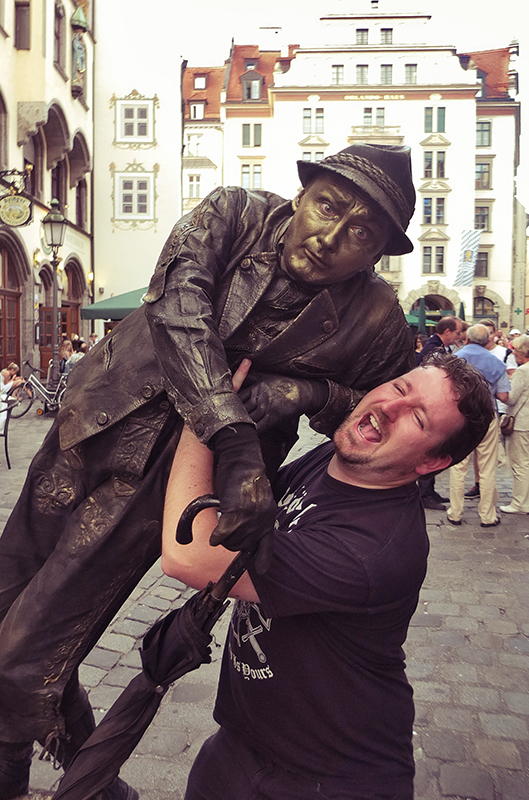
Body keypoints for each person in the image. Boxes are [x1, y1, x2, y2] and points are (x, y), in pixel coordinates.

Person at [0, 143, 416, 800]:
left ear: (379, 253)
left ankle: (70, 784)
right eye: (327, 207)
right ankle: (91, 783)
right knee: (17, 626)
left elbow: (379, 406)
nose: (329, 237)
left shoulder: (376, 318)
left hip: (166, 487)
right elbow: (178, 309)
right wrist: (237, 434)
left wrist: (304, 393)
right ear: (302, 194)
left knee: (22, 656)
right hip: (93, 425)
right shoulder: (232, 213)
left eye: (361, 233)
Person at [161, 354, 494, 800]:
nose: (389, 408)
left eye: (417, 418)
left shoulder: (376, 549)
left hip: (333, 777)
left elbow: (188, 555)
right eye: (400, 388)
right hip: (239, 746)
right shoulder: (337, 459)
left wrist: (206, 413)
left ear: (432, 462)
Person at [446, 324, 510, 527]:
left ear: (467, 339)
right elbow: (503, 396)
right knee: (487, 467)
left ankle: (455, 513)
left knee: (458, 465)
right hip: (486, 414)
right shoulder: (496, 362)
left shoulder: (454, 360)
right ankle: (487, 515)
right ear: (487, 340)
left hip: (460, 415)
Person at [415, 316, 463, 509]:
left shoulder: (438, 346)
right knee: (430, 449)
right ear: (447, 331)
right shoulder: (433, 349)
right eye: (457, 332)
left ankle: (429, 491)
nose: (459, 336)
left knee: (435, 449)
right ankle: (425, 495)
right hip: (429, 404)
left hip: (432, 403)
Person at [499, 334, 529, 515]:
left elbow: (510, 398)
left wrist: (499, 390)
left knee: (520, 464)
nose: (513, 353)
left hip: (522, 423)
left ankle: (520, 503)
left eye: (516, 350)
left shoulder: (523, 371)